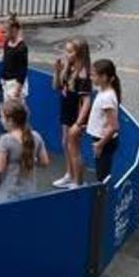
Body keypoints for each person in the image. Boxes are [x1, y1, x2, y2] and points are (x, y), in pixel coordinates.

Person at [0, 100, 49, 203]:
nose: (0, 120)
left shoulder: (5, 140)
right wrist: (28, 159)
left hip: (7, 195)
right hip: (30, 193)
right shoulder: (36, 136)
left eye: (1, 117)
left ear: (10, 120)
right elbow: (44, 162)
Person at [51, 38, 92, 189]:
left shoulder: (83, 75)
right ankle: (69, 174)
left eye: (70, 51)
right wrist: (57, 70)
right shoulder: (69, 68)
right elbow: (56, 85)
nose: (66, 54)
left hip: (76, 114)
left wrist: (79, 123)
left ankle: (78, 182)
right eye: (66, 50)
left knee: (74, 148)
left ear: (79, 54)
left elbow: (86, 101)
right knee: (65, 143)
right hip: (66, 109)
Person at [87, 59, 121, 183]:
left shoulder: (107, 98)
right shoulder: (103, 91)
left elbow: (114, 126)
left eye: (93, 75)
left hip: (104, 141)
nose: (91, 78)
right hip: (102, 139)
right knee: (101, 172)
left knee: (103, 176)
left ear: (104, 77)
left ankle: (104, 200)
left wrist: (100, 144)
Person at [0, 13, 28, 102]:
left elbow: (22, 71)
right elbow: (5, 63)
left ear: (14, 30)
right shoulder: (7, 43)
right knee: (7, 111)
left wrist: (17, 91)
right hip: (6, 82)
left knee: (15, 112)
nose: (2, 34)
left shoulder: (21, 48)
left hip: (15, 85)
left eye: (4, 32)